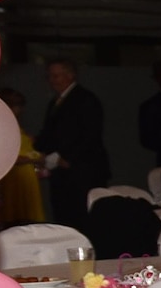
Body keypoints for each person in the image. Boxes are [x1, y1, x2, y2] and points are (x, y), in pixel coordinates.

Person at [34, 58, 109, 231]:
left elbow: (90, 135)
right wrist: (36, 148)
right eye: (50, 76)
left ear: (70, 75)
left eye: (56, 76)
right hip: (61, 173)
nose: (52, 80)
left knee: (83, 218)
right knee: (64, 217)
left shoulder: (86, 99)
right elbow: (50, 133)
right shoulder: (55, 102)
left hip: (83, 170)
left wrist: (66, 157)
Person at [0, 87, 44, 225]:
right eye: (16, 105)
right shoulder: (2, 128)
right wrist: (32, 158)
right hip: (14, 178)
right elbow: (5, 155)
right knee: (16, 219)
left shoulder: (15, 126)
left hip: (26, 178)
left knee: (27, 218)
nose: (19, 110)